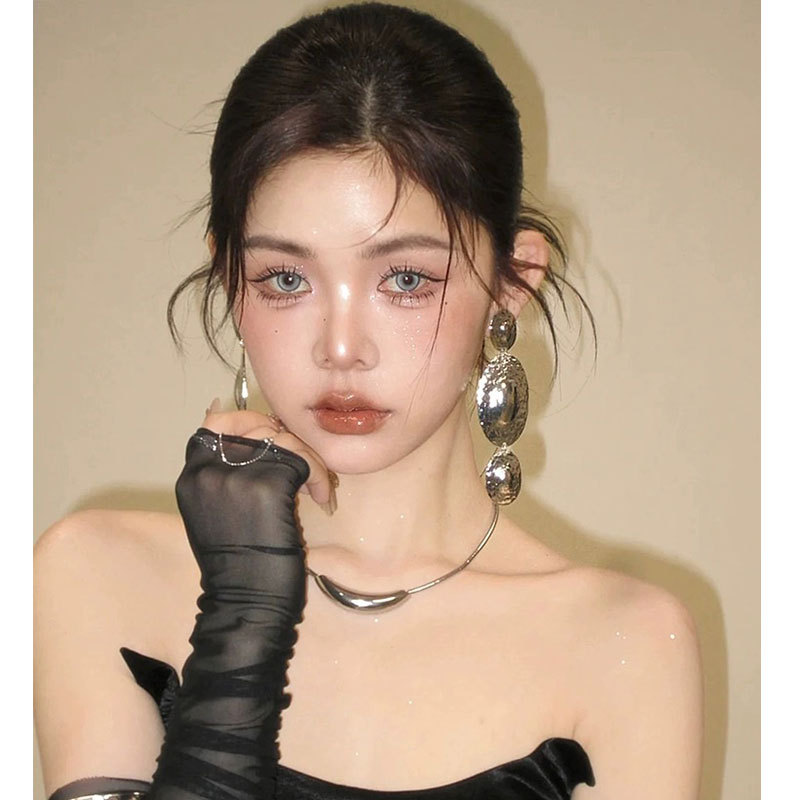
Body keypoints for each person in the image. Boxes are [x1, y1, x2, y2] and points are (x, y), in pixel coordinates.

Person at [34, 3, 703, 799]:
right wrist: (242, 614)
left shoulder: (627, 644)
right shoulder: (98, 574)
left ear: (513, 281)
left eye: (406, 279)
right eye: (286, 278)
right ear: (230, 278)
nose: (341, 346)